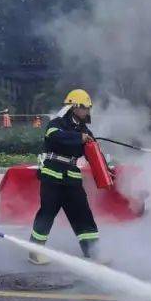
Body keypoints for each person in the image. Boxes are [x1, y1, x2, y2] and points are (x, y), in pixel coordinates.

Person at [28, 89, 101, 265]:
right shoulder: (57, 123)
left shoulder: (85, 130)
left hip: (72, 178)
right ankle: (35, 252)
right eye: (84, 108)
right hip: (52, 175)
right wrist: (79, 137)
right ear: (74, 107)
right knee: (47, 213)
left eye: (88, 108)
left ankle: (93, 251)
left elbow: (94, 153)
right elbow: (53, 136)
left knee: (83, 213)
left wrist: (105, 168)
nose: (87, 112)